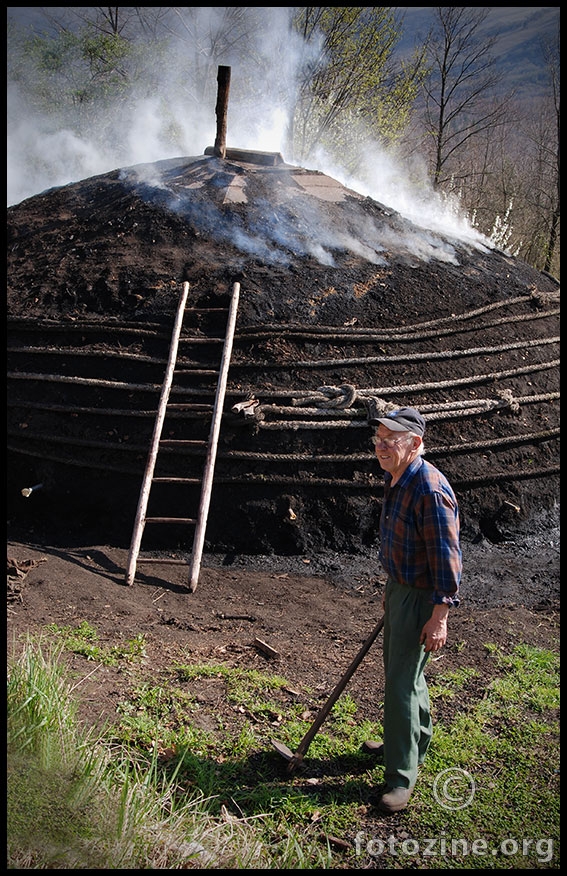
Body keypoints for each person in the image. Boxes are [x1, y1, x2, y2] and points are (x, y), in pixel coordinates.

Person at [365, 406, 462, 814]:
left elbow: (447, 558)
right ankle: (413, 741)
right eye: (379, 440)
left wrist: (439, 617)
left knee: (401, 685)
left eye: (392, 440)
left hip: (423, 596)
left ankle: (401, 779)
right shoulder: (398, 478)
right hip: (402, 589)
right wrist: (392, 588)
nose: (383, 447)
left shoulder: (429, 489)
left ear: (416, 444)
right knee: (406, 674)